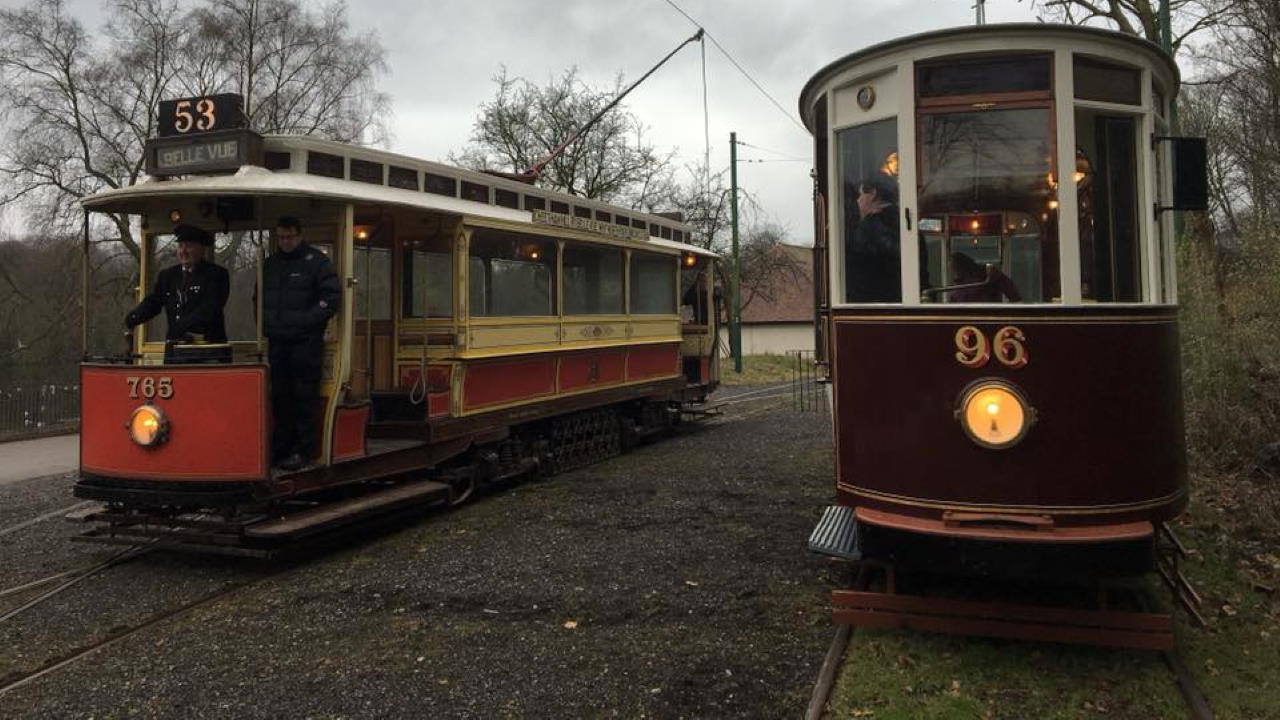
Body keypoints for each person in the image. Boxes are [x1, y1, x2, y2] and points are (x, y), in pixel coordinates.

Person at [263, 216, 341, 471]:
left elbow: (331, 298)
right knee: (280, 397)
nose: (285, 242)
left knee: (304, 397)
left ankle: (303, 451)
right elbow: (258, 298)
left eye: (289, 237)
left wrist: (308, 322)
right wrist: (265, 325)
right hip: (277, 342)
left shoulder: (317, 262)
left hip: (306, 344)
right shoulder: (270, 265)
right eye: (281, 237)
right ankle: (280, 449)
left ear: (299, 236)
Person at [124, 224, 229, 342]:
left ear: (201, 248)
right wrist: (134, 317)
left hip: (207, 350)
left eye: (188, 246)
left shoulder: (216, 275)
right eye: (180, 246)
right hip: (175, 351)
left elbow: (210, 309)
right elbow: (154, 302)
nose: (183, 251)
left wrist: (181, 326)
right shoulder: (168, 276)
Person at [845, 176, 900, 302]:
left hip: (871, 303)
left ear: (872, 193)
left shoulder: (868, 227)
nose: (858, 200)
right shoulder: (906, 225)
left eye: (860, 194)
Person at [947, 252, 1022, 303]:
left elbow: (1013, 294)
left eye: (954, 267)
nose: (953, 270)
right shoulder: (957, 287)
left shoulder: (987, 275)